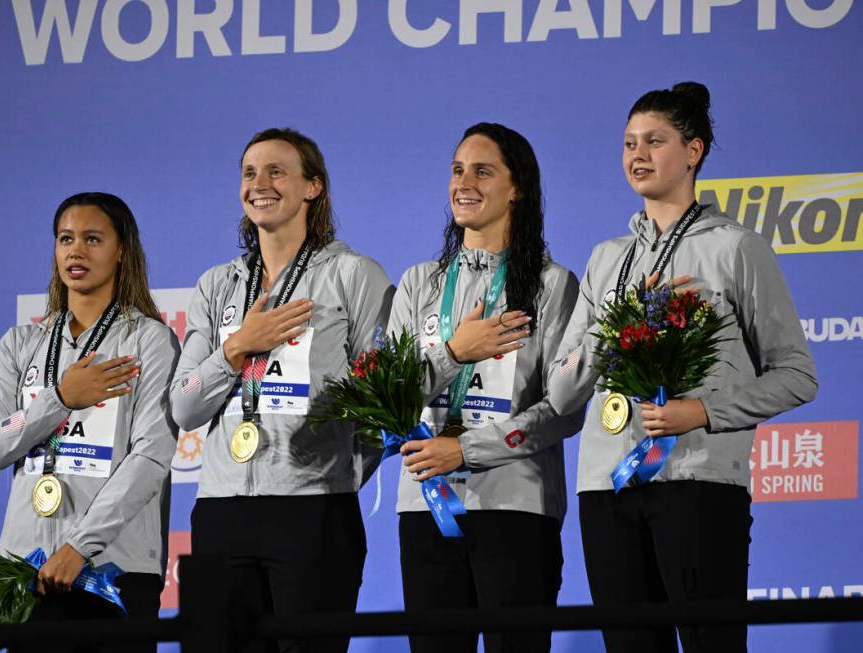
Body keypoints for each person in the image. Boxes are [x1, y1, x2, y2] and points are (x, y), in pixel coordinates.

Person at [547, 82, 818, 653]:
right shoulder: (606, 258)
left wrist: (703, 411)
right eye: (628, 143)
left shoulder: (735, 248)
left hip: (699, 483)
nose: (636, 155)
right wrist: (616, 323)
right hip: (606, 485)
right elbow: (565, 389)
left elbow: (797, 374)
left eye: (654, 141)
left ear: (693, 151)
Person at [170, 128, 394, 653]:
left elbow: (386, 402)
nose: (259, 184)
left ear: (313, 187)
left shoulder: (353, 275)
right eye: (249, 173)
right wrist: (238, 348)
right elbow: (184, 405)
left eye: (276, 171)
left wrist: (337, 470)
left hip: (314, 511)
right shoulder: (217, 285)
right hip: (221, 511)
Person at [387, 122, 583, 653]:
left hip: (516, 505)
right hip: (426, 500)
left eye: (482, 170)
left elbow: (564, 410)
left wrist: (468, 450)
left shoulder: (552, 285)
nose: (463, 182)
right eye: (456, 170)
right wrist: (454, 353)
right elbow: (389, 399)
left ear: (517, 187)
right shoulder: (418, 284)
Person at [0, 192, 180, 652]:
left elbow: (150, 457)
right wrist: (59, 398)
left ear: (122, 250)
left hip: (114, 570)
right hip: (26, 572)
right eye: (66, 239)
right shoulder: (20, 343)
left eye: (92, 239)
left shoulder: (149, 340)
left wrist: (79, 548)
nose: (75, 251)